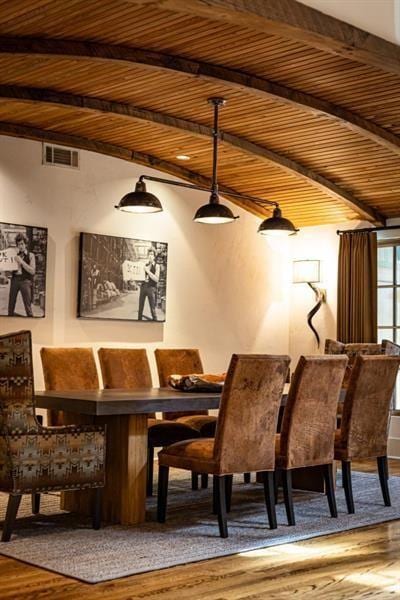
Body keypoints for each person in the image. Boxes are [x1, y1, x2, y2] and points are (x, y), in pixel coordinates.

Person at [8, 233, 36, 317]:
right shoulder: (14, 256)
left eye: (22, 244)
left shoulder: (31, 255)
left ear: (26, 244)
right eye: (18, 244)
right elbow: (9, 272)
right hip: (15, 280)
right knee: (11, 305)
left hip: (25, 281)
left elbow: (32, 271)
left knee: (28, 307)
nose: (20, 246)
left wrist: (21, 262)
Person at [138, 248, 160, 321]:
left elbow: (156, 279)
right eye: (149, 254)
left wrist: (148, 271)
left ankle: (155, 323)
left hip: (151, 288)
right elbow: (141, 277)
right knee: (140, 308)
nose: (150, 256)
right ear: (147, 256)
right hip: (143, 287)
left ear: (154, 256)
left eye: (152, 254)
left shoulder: (157, 266)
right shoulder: (145, 265)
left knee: (152, 309)